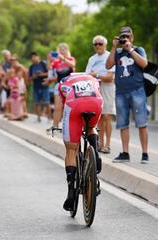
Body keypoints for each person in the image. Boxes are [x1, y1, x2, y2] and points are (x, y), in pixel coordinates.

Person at [56, 74, 103, 211]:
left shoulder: (63, 82)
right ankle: (96, 152)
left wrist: (55, 124)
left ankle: (71, 192)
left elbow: (62, 107)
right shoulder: (92, 79)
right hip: (96, 103)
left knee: (71, 149)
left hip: (74, 105)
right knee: (91, 127)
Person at [105, 26, 149, 163]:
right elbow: (108, 65)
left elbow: (144, 64)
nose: (125, 39)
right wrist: (113, 47)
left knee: (142, 123)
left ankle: (145, 153)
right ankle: (125, 153)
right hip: (121, 92)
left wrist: (130, 49)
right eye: (123, 37)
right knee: (123, 124)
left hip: (137, 91)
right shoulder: (117, 52)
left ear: (132, 38)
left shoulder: (138, 50)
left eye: (128, 37)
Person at [85, 35, 115, 154]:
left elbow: (110, 77)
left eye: (100, 44)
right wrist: (96, 76)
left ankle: (108, 144)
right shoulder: (92, 59)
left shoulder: (109, 57)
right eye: (95, 44)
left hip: (107, 88)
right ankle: (100, 143)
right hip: (95, 88)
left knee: (107, 116)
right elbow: (88, 75)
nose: (98, 46)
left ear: (105, 45)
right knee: (98, 117)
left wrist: (97, 75)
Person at [45, 43, 76, 131]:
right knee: (57, 107)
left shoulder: (71, 59)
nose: (62, 50)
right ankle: (55, 126)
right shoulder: (56, 62)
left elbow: (73, 65)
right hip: (59, 85)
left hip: (70, 85)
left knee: (69, 107)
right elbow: (49, 68)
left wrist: (64, 59)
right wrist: (48, 59)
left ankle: (70, 127)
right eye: (60, 49)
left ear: (67, 50)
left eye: (64, 49)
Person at [28, 52, 51, 122]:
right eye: (32, 58)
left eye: (35, 57)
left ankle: (49, 118)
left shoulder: (44, 64)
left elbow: (50, 73)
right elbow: (29, 78)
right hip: (36, 86)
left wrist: (42, 74)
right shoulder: (31, 67)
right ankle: (38, 118)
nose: (34, 59)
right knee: (36, 102)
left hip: (44, 86)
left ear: (38, 57)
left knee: (47, 102)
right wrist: (33, 76)